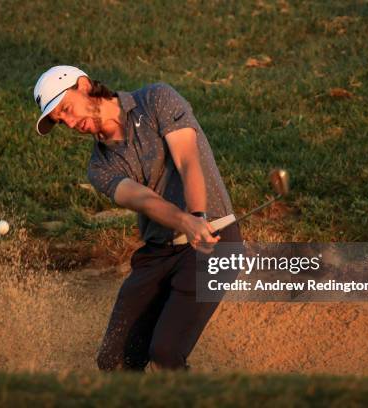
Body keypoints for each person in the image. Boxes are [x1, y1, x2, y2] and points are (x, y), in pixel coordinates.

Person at [33, 65, 242, 371]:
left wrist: (197, 216)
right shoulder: (99, 167)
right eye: (59, 120)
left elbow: (188, 160)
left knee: (165, 352)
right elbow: (144, 200)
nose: (68, 122)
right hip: (158, 254)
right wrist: (184, 222)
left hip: (214, 242)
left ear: (84, 85)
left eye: (65, 109)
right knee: (113, 361)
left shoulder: (157, 99)